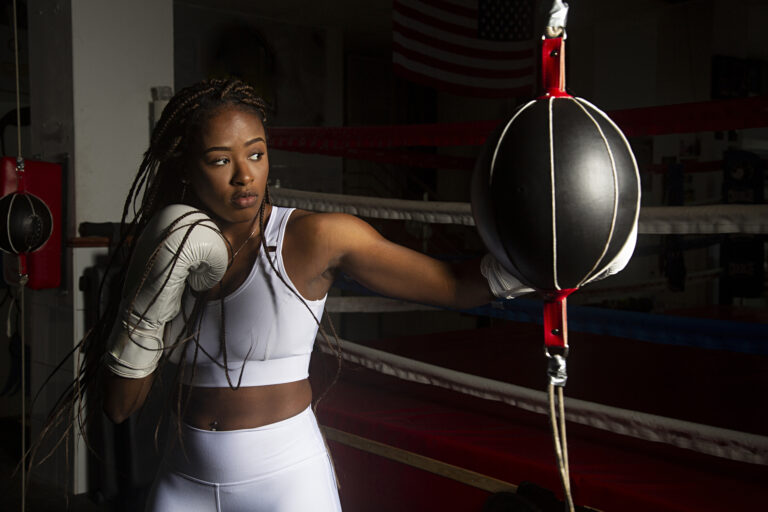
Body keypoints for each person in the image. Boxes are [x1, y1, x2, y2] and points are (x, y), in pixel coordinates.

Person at [38, 78, 626, 511]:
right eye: (220, 161)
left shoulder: (315, 238)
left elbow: (453, 284)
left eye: (257, 154)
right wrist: (150, 296)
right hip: (182, 482)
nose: (244, 176)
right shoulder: (170, 246)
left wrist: (557, 256)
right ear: (188, 170)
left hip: (284, 484)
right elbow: (118, 407)